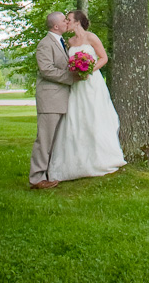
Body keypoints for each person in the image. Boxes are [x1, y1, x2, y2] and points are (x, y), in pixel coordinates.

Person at [48, 9, 126, 180]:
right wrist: (76, 70)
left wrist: (89, 69)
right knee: (76, 116)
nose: (66, 22)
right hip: (76, 84)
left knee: (94, 115)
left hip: (92, 83)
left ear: (77, 22)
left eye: (68, 19)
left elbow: (103, 58)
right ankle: (77, 159)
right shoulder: (69, 41)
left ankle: (100, 158)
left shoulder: (91, 37)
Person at [29, 11, 75, 190]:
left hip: (61, 98)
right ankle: (36, 178)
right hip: (50, 98)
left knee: (55, 140)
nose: (67, 22)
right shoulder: (45, 44)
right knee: (45, 140)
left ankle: (50, 173)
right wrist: (72, 77)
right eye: (64, 20)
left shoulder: (62, 42)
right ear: (56, 26)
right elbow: (46, 70)